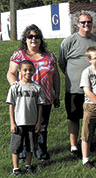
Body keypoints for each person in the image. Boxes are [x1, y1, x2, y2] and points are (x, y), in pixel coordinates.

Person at [7, 24, 60, 161]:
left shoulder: (50, 56)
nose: (33, 39)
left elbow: (56, 76)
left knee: (41, 127)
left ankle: (41, 153)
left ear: (41, 39)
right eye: (30, 36)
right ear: (25, 39)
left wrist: (57, 95)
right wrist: (16, 86)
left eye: (36, 36)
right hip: (25, 99)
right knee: (23, 127)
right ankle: (23, 155)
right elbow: (11, 73)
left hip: (45, 98)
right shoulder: (19, 55)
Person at [59, 12, 96, 157]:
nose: (86, 25)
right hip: (74, 89)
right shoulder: (69, 41)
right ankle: (74, 146)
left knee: (91, 120)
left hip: (95, 91)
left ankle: (88, 143)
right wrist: (73, 77)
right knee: (74, 117)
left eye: (89, 22)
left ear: (92, 23)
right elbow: (62, 63)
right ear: (77, 24)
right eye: (83, 22)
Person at [6, 60, 45, 175]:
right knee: (16, 146)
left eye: (30, 70)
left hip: (32, 122)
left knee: (30, 146)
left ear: (34, 71)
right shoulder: (15, 87)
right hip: (19, 122)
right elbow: (11, 106)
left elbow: (40, 106)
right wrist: (12, 122)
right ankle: (16, 168)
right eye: (25, 70)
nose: (28, 72)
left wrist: (38, 122)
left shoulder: (37, 88)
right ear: (19, 71)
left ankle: (28, 166)